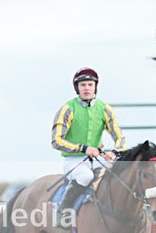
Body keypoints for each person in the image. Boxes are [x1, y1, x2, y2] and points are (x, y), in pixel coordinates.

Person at [50, 67, 127, 213]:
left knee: (122, 170)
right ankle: (63, 210)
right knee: (86, 176)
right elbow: (56, 141)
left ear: (95, 87)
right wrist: (84, 148)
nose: (87, 88)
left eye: (90, 85)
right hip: (74, 161)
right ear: (77, 88)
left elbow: (120, 137)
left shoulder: (105, 109)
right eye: (83, 85)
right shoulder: (67, 109)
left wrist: (115, 152)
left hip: (98, 158)